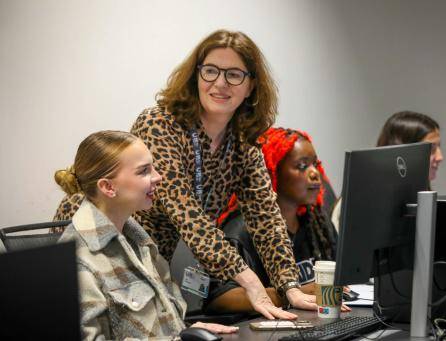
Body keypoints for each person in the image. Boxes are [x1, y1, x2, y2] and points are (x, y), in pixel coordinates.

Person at [53, 29, 316, 319]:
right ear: (196, 75)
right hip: (101, 250)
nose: (220, 83)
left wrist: (290, 285)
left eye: (234, 75)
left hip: (149, 264)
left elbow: (266, 217)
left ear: (251, 85)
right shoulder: (161, 123)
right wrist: (249, 280)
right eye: (211, 71)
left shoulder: (243, 142)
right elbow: (183, 209)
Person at [55, 131, 238, 340]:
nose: (158, 177)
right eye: (143, 171)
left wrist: (188, 331)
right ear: (108, 187)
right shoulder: (79, 261)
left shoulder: (140, 242)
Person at [204, 127, 351, 313]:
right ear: (271, 170)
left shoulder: (317, 223)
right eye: (302, 166)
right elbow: (219, 299)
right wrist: (291, 294)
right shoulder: (240, 231)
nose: (316, 173)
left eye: (315, 164)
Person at [331, 110, 444, 230]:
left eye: (439, 148)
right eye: (431, 148)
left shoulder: (421, 196)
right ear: (404, 151)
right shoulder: (355, 203)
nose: (440, 157)